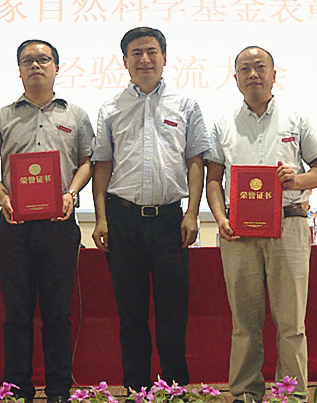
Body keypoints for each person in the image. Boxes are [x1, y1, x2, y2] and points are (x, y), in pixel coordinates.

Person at [205, 46, 317, 400]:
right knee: (244, 323)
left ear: (274, 75)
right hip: (238, 232)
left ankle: (291, 395)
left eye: (260, 67)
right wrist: (220, 218)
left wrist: (296, 180)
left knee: (291, 323)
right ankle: (246, 393)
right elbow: (213, 179)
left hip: (288, 225)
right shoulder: (222, 124)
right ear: (235, 79)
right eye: (245, 69)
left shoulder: (297, 118)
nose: (253, 74)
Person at [0, 39, 94, 402]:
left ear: (57, 67)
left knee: (57, 314)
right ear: (20, 70)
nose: (36, 65)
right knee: (17, 314)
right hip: (15, 227)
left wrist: (71, 192)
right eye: (28, 60)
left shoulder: (76, 115)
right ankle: (17, 390)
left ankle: (58, 390)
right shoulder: (2, 116)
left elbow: (88, 162)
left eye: (43, 59)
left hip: (59, 226)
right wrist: (3, 195)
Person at [91, 27, 209, 393]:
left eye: (152, 52)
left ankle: (175, 389)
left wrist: (192, 213)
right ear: (125, 61)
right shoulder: (110, 108)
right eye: (137, 53)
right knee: (131, 315)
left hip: (170, 220)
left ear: (165, 58)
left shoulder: (186, 105)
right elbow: (102, 165)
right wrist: (100, 218)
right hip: (122, 219)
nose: (145, 59)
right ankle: (136, 390)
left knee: (173, 314)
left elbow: (195, 161)